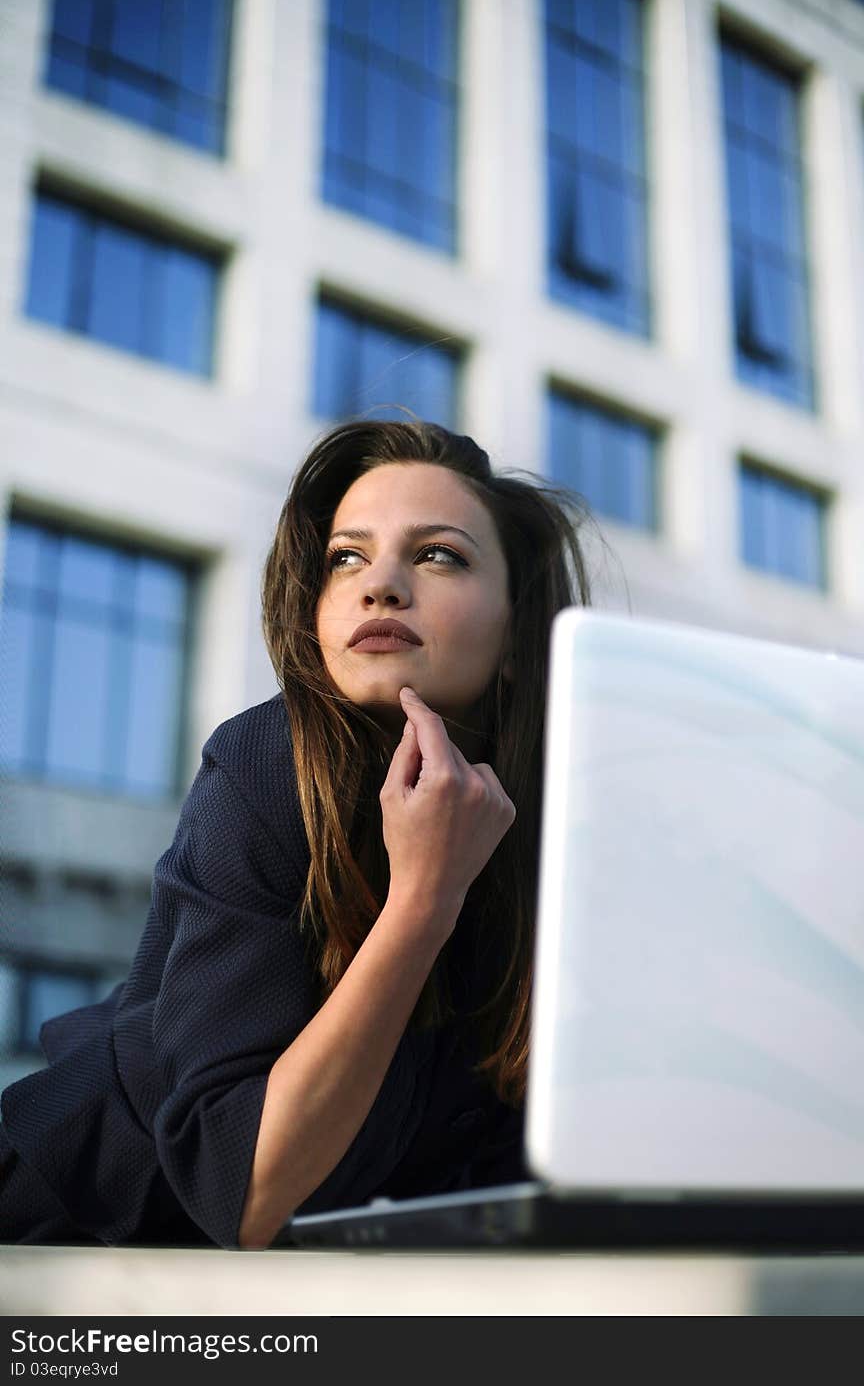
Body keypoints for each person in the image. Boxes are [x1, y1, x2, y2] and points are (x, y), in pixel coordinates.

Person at [0, 418, 599, 1249]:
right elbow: (245, 1189)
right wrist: (424, 900)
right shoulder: (270, 762)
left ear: (514, 636)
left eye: (438, 555)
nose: (379, 584)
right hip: (68, 1251)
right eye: (345, 558)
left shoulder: (554, 842)